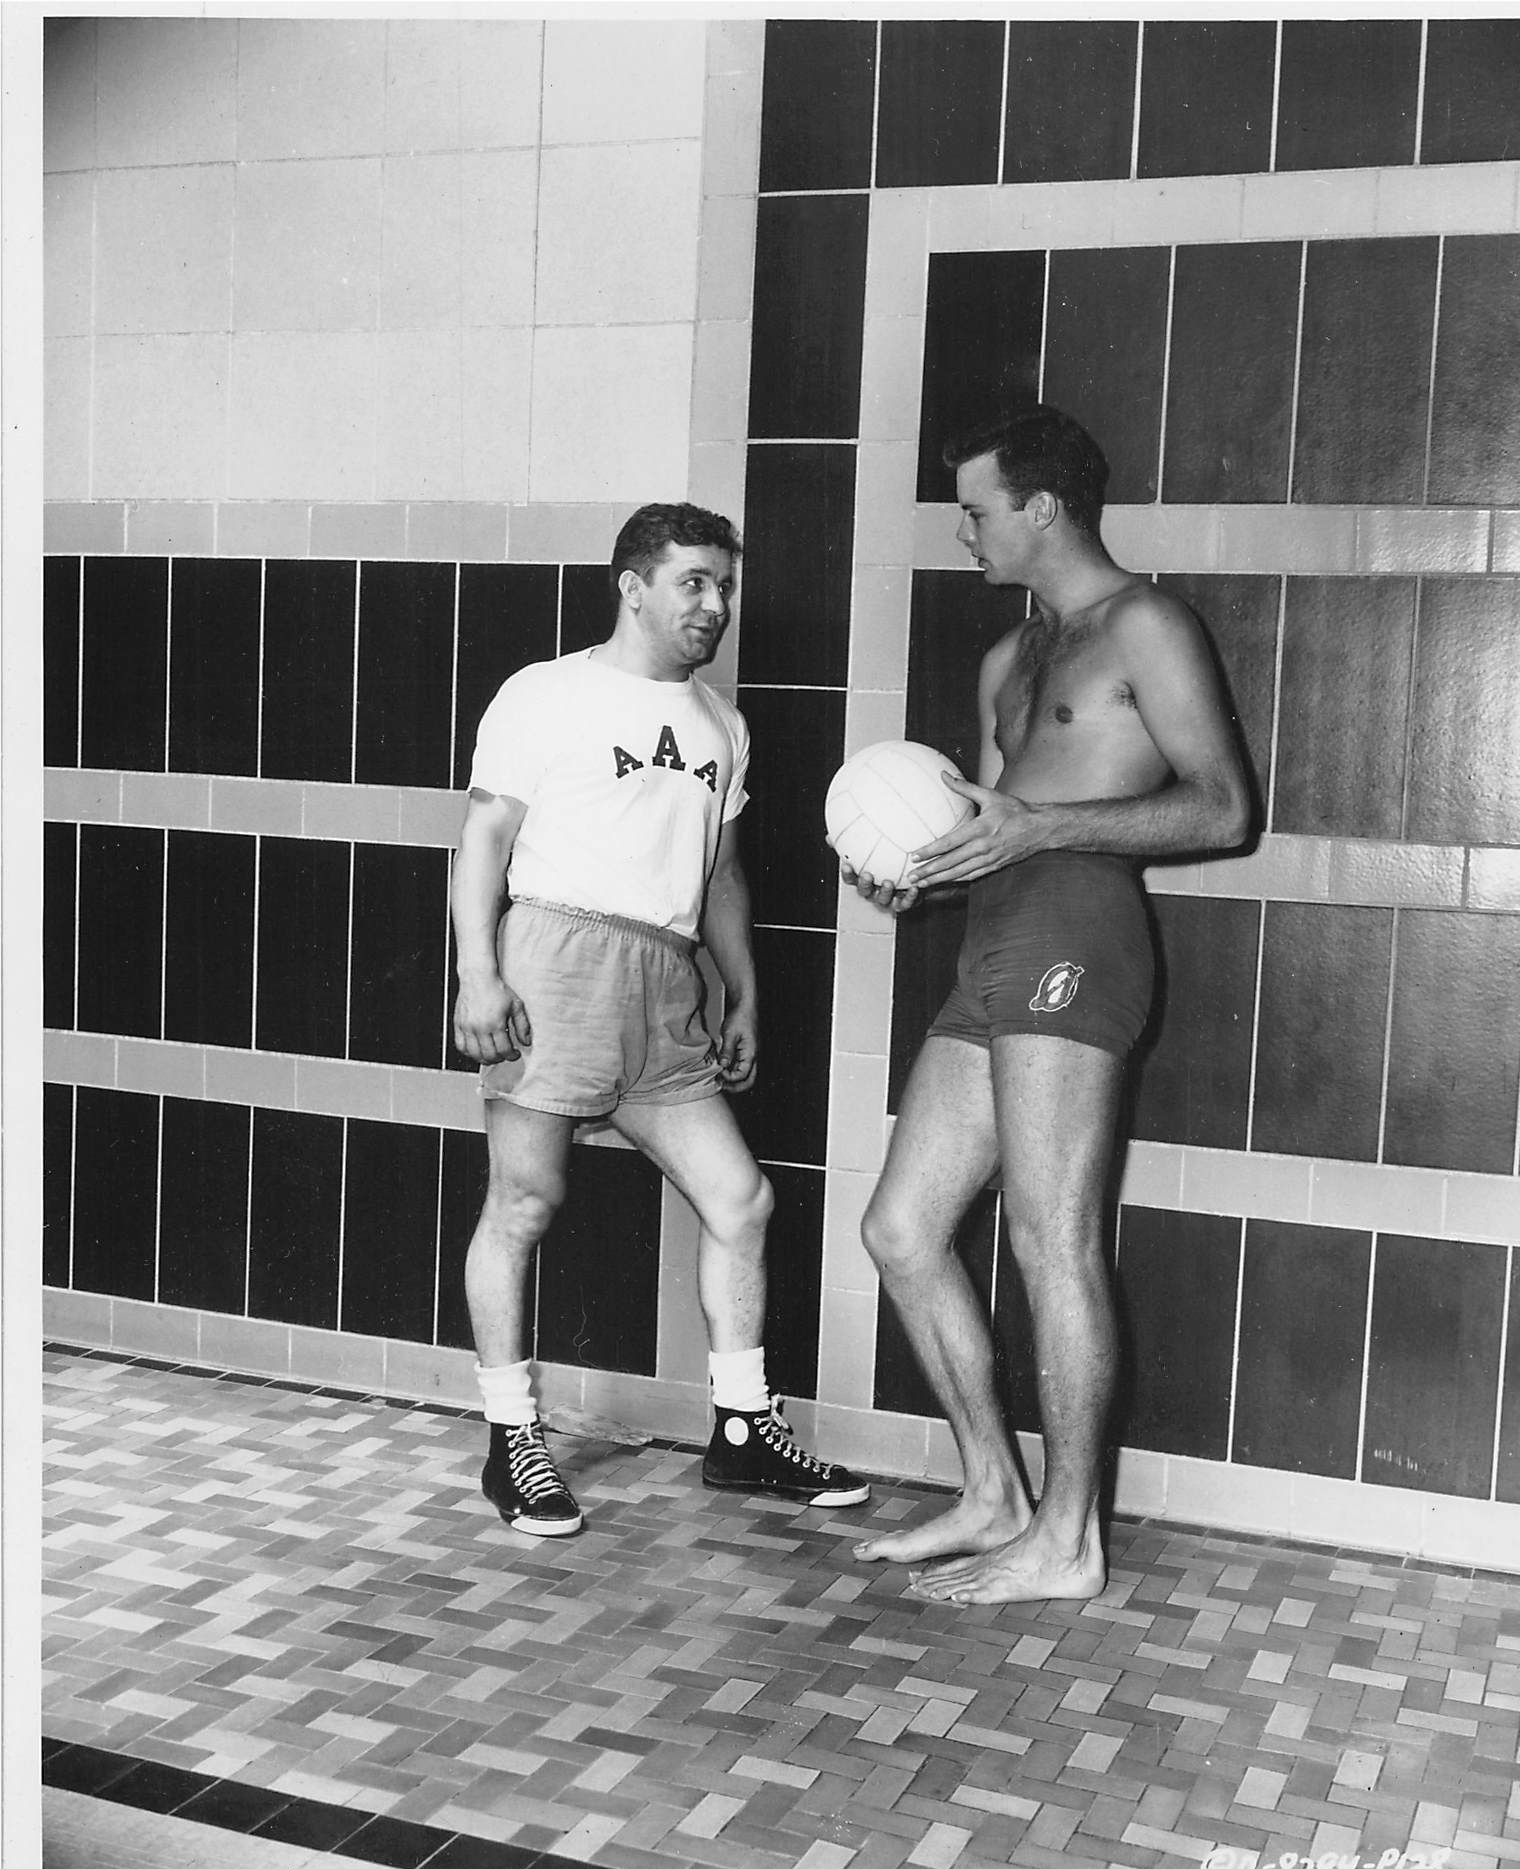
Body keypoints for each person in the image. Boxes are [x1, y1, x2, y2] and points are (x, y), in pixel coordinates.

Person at [847, 407, 1250, 1604]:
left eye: (974, 509)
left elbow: (1224, 808)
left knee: (1047, 1235)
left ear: (1041, 508)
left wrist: (1042, 828)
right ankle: (992, 1492)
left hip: (1080, 933)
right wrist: (912, 865)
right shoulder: (1006, 660)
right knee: (903, 1229)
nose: (961, 529)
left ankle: (1068, 1539)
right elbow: (986, 823)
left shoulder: (1148, 625)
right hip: (993, 943)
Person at [452, 502, 868, 1537]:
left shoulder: (723, 723)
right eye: (691, 581)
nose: (714, 604)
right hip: (555, 955)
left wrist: (743, 989)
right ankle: (513, 1442)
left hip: (669, 980)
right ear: (631, 585)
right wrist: (475, 975)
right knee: (525, 1202)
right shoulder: (546, 694)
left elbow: (720, 871)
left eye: (723, 584)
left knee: (742, 1199)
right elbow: (484, 836)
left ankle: (738, 1428)